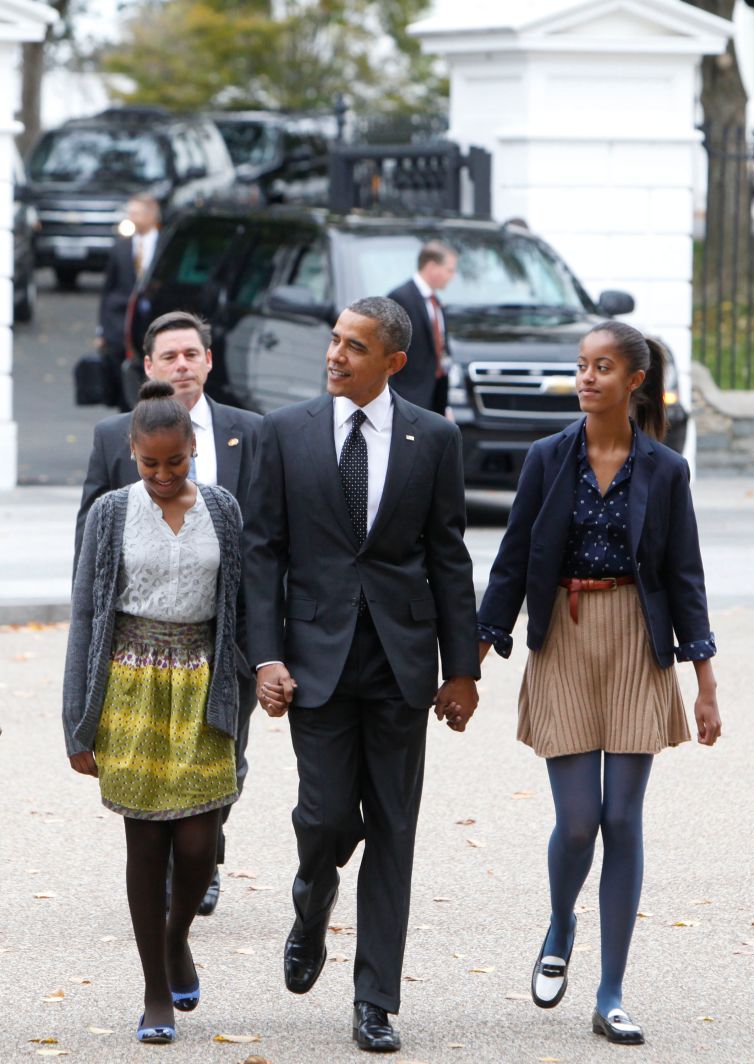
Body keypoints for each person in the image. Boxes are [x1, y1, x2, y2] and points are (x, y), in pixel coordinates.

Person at [244, 296, 480, 1053]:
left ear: (394, 362)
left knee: (394, 830)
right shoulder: (286, 433)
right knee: (324, 819)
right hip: (314, 661)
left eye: (355, 346)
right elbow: (262, 554)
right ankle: (312, 901)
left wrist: (462, 667)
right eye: (335, 341)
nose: (336, 355)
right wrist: (268, 655)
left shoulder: (434, 438)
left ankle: (375, 998)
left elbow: (447, 554)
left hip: (400, 663)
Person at [477, 320, 721, 1046]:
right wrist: (474, 659)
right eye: (582, 366)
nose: (586, 378)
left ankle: (611, 992)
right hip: (566, 639)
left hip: (637, 643)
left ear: (633, 381)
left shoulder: (665, 470)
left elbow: (685, 578)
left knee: (623, 820)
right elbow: (515, 558)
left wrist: (704, 682)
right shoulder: (548, 458)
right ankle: (560, 922)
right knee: (580, 820)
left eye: (602, 367)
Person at [63, 380, 243, 1044]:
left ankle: (176, 938)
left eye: (176, 461)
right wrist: (76, 723)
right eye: (150, 464)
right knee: (146, 842)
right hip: (131, 687)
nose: (164, 475)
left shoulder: (223, 509)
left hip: (202, 685)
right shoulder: (110, 514)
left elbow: (239, 610)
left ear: (194, 447)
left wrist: (259, 680)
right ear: (133, 455)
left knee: (200, 844)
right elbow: (86, 618)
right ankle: (153, 989)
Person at [75, 309, 262, 916]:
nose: (182, 364)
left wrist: (266, 649)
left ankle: (202, 855)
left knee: (220, 770)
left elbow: (265, 548)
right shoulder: (111, 439)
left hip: (218, 645)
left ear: (209, 360)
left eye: (192, 353)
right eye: (169, 356)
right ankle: (177, 881)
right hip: (138, 651)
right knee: (150, 787)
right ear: (150, 367)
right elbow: (92, 555)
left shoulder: (250, 432)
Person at [97, 195, 161, 411]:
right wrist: (102, 331)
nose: (130, 218)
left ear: (150, 216)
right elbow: (108, 289)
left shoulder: (164, 245)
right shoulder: (120, 248)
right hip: (119, 323)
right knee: (124, 376)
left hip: (151, 320)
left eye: (135, 213)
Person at [388, 241, 457, 415]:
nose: (452, 276)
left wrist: (444, 404)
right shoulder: (401, 298)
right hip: (409, 397)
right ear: (432, 266)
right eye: (449, 270)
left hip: (434, 398)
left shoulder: (436, 302)